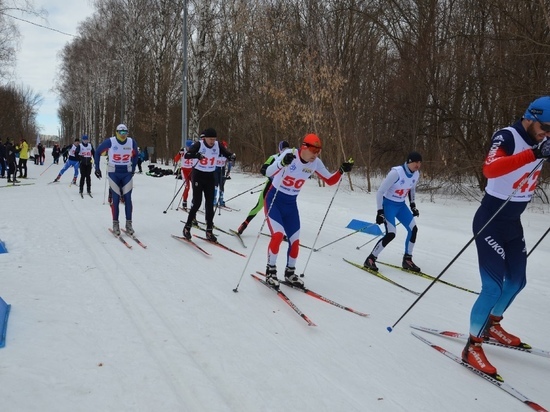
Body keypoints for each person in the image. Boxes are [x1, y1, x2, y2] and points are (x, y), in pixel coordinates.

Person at [462, 96, 550, 377]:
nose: (548, 134)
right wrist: (535, 153)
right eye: (546, 127)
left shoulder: (543, 137)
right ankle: (471, 346)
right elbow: (490, 169)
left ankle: (492, 325)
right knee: (493, 287)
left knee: (517, 282)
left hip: (513, 222)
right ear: (531, 117)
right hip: (490, 220)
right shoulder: (507, 136)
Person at [263, 133, 354, 288]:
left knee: (295, 240)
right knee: (278, 235)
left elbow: (330, 180)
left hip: (291, 204)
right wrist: (281, 164)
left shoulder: (316, 163)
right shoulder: (289, 154)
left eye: (318, 151)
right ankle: (270, 271)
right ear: (304, 147)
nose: (316, 154)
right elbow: (267, 172)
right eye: (313, 151)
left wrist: (341, 170)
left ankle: (290, 273)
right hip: (274, 200)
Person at [363, 152, 422, 273]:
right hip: (389, 205)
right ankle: (370, 259)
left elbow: (411, 189)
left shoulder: (416, 174)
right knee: (391, 234)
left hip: (401, 206)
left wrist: (413, 205)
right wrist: (380, 211)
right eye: (416, 162)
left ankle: (407, 259)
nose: (418, 165)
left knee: (413, 229)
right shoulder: (396, 173)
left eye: (420, 162)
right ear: (410, 162)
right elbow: (380, 192)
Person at [181, 128, 236, 242]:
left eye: (214, 139)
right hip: (198, 175)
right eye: (210, 139)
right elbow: (187, 155)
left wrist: (231, 156)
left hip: (210, 176)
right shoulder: (199, 144)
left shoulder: (217, 145)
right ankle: (187, 227)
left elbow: (226, 153)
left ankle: (209, 230)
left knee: (210, 204)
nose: (212, 141)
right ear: (204, 138)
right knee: (197, 203)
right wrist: (197, 155)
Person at [94, 124, 139, 236]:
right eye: (121, 133)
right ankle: (115, 224)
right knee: (116, 198)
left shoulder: (131, 142)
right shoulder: (110, 141)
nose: (123, 135)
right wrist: (97, 168)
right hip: (114, 173)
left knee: (128, 198)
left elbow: (136, 155)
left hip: (126, 173)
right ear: (116, 132)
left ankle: (129, 224)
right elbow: (98, 152)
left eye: (125, 133)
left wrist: (133, 168)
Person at [237, 140, 289, 235]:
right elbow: (263, 170)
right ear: (279, 149)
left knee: (279, 210)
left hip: (282, 189)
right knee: (259, 205)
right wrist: (272, 177)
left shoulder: (290, 160)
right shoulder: (274, 157)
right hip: (270, 186)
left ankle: (279, 232)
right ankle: (244, 224)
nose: (285, 151)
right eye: (283, 149)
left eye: (287, 149)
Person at [173, 139, 195, 209]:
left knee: (195, 187)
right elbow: (176, 160)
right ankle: (184, 201)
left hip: (192, 171)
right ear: (187, 146)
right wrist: (179, 154)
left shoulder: (194, 151)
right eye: (189, 147)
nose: (190, 148)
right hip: (184, 171)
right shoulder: (183, 151)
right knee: (187, 187)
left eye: (192, 147)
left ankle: (194, 202)